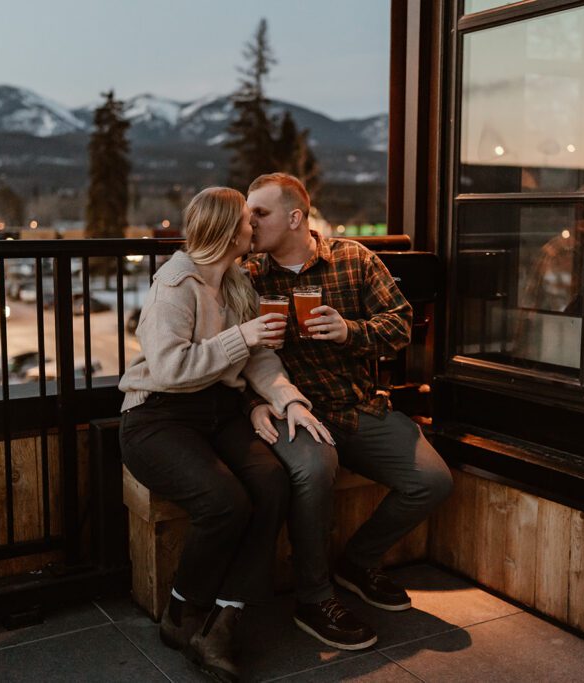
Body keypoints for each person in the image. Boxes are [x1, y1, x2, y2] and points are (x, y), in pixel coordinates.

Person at [119, 186, 332, 682]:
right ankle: (180, 611)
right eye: (246, 220)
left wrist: (288, 399)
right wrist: (242, 336)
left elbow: (257, 358)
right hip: (158, 416)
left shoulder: (236, 281)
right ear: (224, 230)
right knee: (225, 502)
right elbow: (170, 369)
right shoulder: (175, 284)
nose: (254, 227)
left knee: (273, 483)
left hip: (218, 413)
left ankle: (225, 620)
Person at [243, 173, 453, 650]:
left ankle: (358, 561)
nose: (249, 223)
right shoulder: (249, 274)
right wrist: (255, 402)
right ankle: (314, 597)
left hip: (359, 407)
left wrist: (350, 331)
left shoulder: (353, 259)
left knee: (433, 481)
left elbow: (400, 324)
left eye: (261, 213)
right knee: (316, 470)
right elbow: (234, 358)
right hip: (296, 414)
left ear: (295, 217)